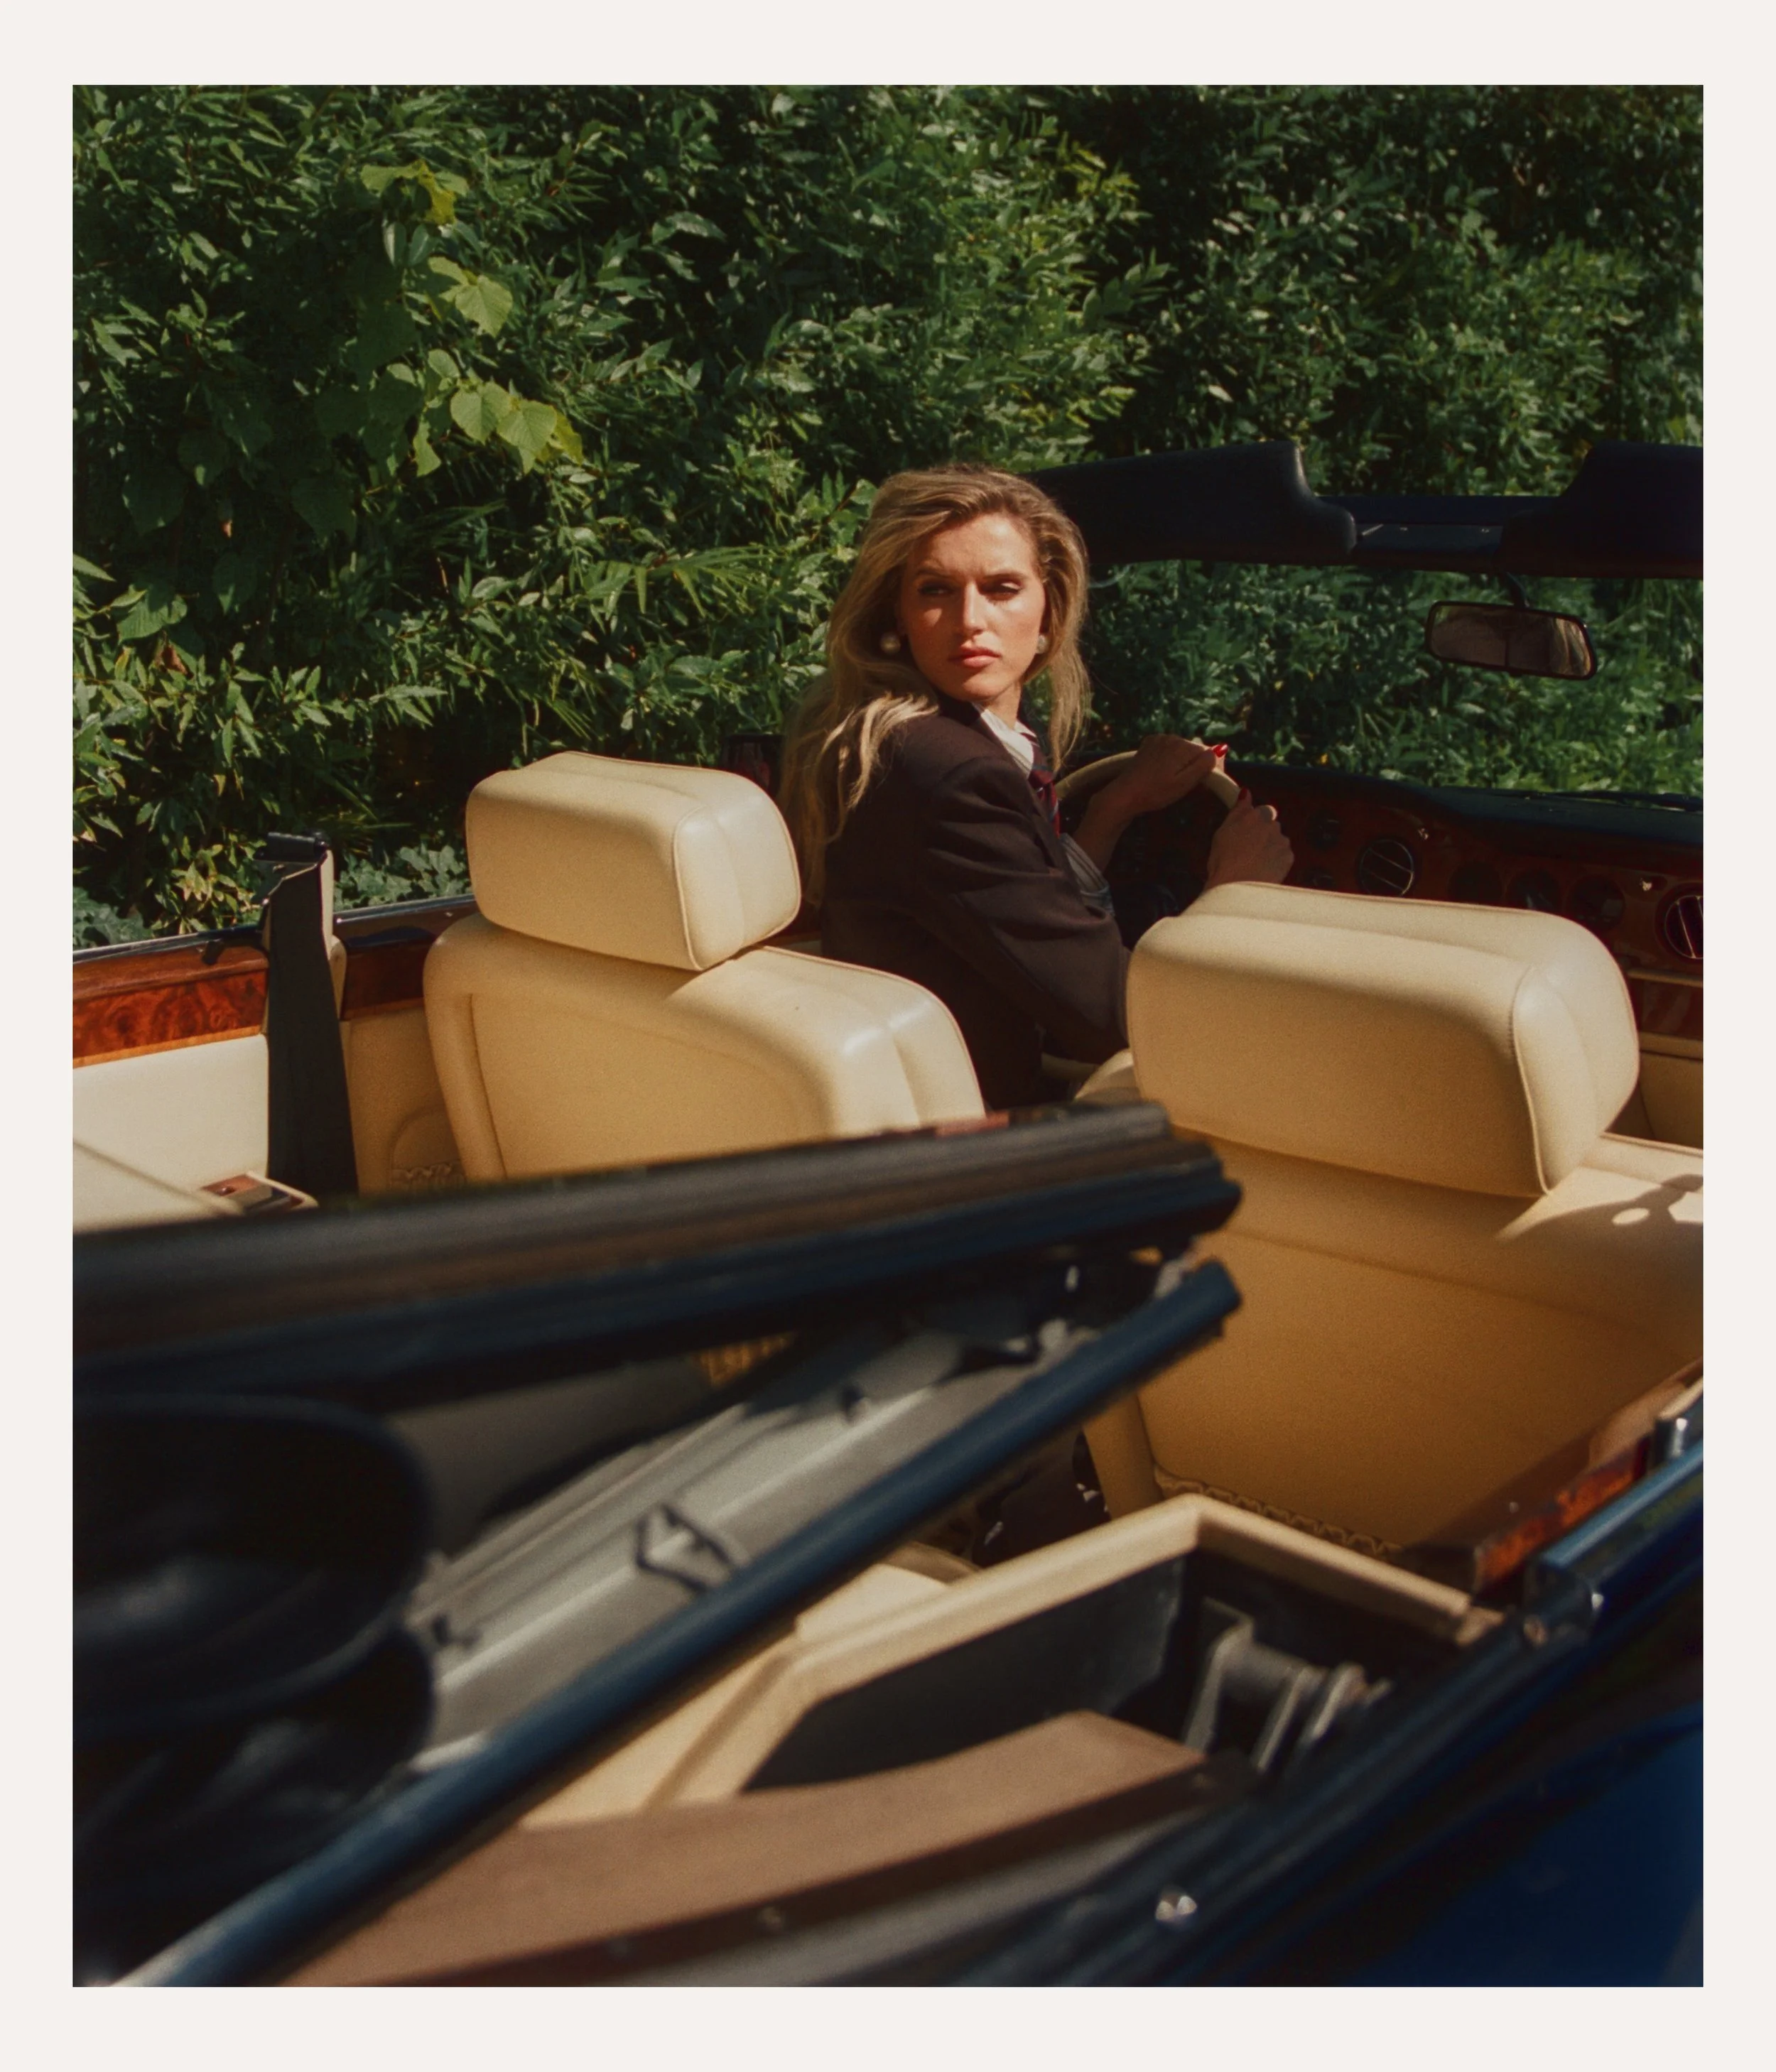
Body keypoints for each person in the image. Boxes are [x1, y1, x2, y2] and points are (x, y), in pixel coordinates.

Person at [779, 463, 1293, 1109]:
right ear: (897, 614)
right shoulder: (951, 774)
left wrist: (1112, 811)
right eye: (936, 589)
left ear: (1049, 609)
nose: (970, 619)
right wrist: (1233, 897)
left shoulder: (898, 738)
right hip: (984, 1139)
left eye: (1001, 589)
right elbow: (1119, 1016)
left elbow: (1003, 904)